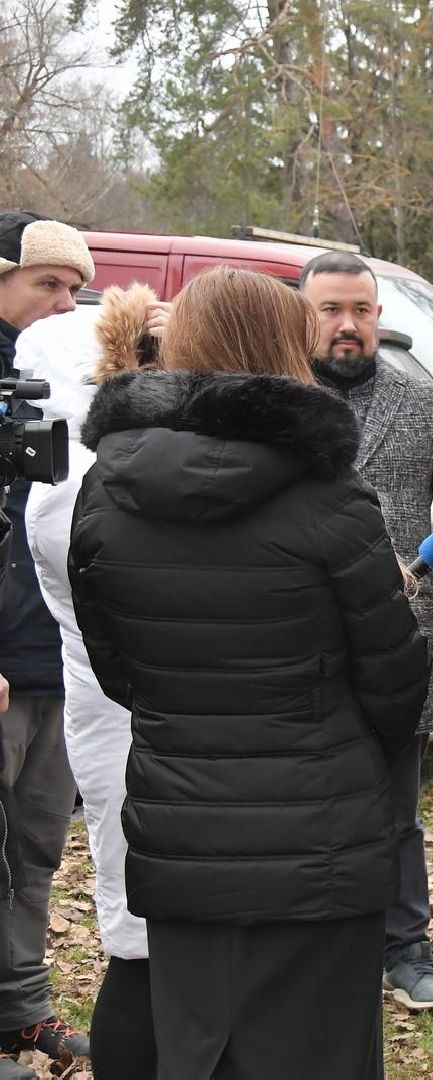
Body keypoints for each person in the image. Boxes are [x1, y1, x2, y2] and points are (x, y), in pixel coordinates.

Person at [68, 266, 430, 1079]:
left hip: (181, 820)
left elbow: (115, 665)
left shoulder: (108, 487)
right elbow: (394, 680)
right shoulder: (330, 494)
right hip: (319, 827)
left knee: (199, 1047)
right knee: (317, 1051)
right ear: (288, 348)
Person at [300, 250, 433, 1017]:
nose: (347, 324)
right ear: (304, 315)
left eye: (361, 310)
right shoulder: (275, 404)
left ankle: (407, 951)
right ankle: (319, 952)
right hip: (298, 648)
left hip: (398, 648)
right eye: (331, 309)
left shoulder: (421, 401)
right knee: (308, 809)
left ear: (379, 316)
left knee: (396, 812)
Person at [22, 284, 161, 1079]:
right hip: (131, 725)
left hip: (114, 728)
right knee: (142, 938)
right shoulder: (83, 487)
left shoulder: (67, 482)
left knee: (137, 926)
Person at [0, 210, 95, 1077]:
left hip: (55, 660)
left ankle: (22, 1011)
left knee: (35, 849)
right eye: (48, 284)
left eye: (75, 289)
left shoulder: (69, 386)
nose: (65, 304)